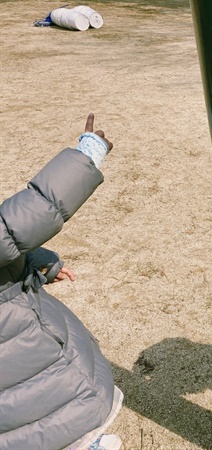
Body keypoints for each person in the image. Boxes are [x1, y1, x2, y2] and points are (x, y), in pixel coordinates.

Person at [0, 114, 123, 450]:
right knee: (51, 410)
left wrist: (40, 263)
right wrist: (88, 155)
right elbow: (24, 219)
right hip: (17, 353)